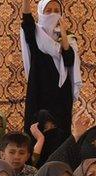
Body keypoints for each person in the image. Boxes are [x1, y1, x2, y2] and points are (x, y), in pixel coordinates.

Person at [20, 0, 81, 135]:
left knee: (60, 131)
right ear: (41, 12)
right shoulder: (35, 33)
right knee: (36, 129)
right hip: (38, 89)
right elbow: (27, 20)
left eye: (56, 11)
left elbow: (69, 61)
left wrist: (63, 34)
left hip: (60, 93)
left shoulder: (68, 37)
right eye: (48, 11)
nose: (53, 14)